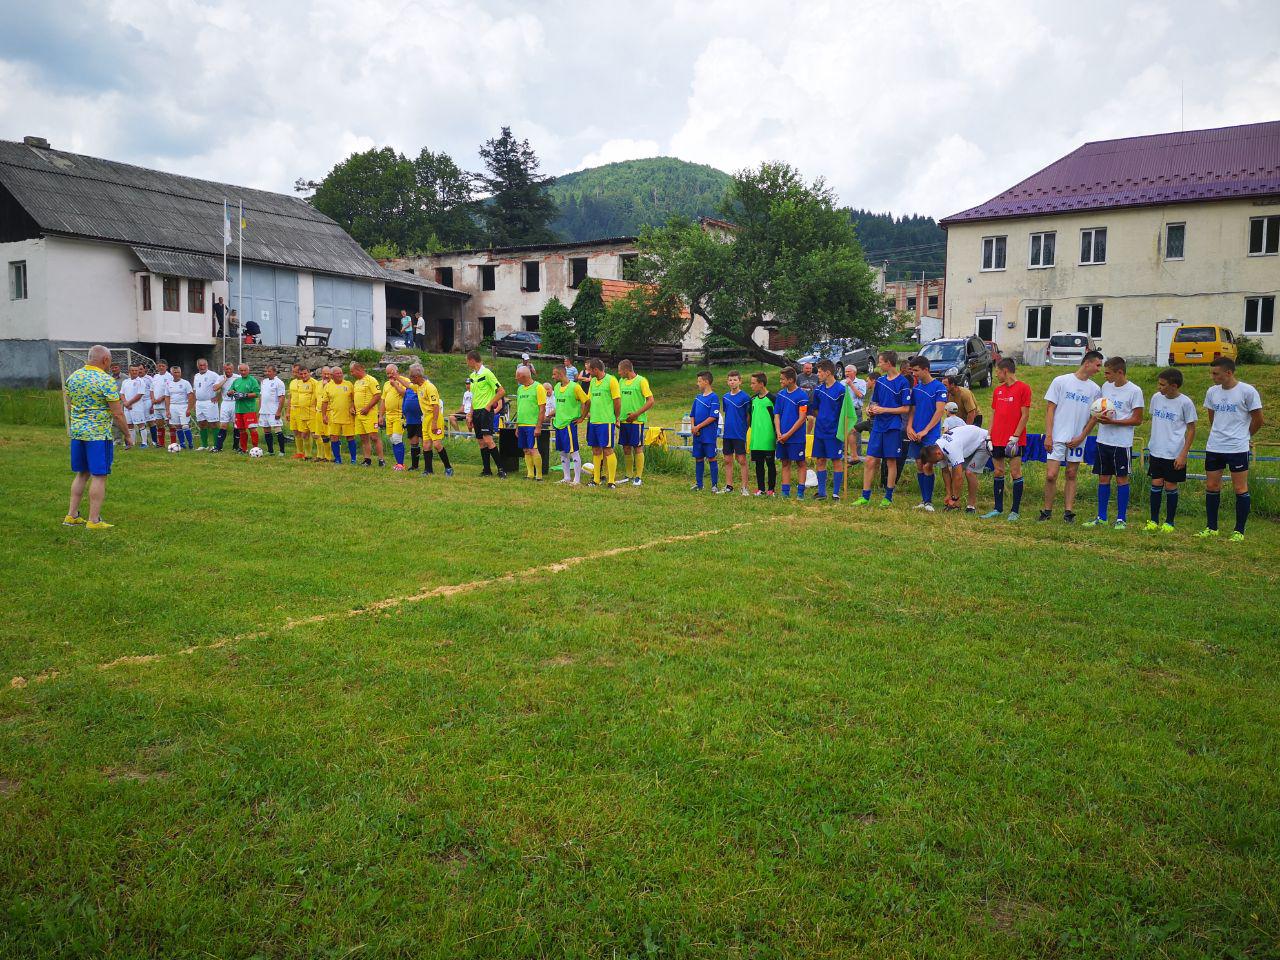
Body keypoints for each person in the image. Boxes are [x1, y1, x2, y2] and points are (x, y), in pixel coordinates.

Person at [64, 345, 133, 529]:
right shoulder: (106, 380)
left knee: (81, 473)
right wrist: (127, 434)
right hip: (97, 435)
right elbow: (117, 413)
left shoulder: (73, 377)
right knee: (99, 475)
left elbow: (71, 403)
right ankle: (93, 520)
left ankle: (72, 515)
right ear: (105, 360)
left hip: (78, 433)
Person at [1197, 357, 1264, 542]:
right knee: (1211, 486)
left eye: (1215, 373)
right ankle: (1211, 528)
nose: (1212, 377)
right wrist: (1219, 433)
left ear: (1229, 372)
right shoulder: (1212, 392)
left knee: (1240, 487)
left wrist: (1246, 436)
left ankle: (1239, 531)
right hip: (1215, 446)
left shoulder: (1247, 391)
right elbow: (1213, 417)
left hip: (1237, 447)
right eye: (1211, 373)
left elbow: (1259, 419)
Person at [1038, 350, 1103, 523]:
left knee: (1071, 473)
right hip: (1057, 436)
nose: (1099, 369)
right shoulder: (1061, 381)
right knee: (1051, 474)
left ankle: (1068, 512)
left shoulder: (1095, 389)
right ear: (1087, 363)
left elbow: (1094, 417)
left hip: (1077, 440)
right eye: (1097, 365)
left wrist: (1082, 437)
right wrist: (1049, 435)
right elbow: (1050, 409)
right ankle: (1047, 511)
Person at [1082, 356, 1144, 530]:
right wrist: (1100, 417)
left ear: (1120, 372)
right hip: (1103, 440)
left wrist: (1114, 422)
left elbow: (1138, 420)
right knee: (1103, 478)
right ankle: (1101, 517)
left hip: (1122, 443)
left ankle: (1121, 519)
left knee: (1121, 479)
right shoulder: (1106, 387)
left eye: (1108, 373)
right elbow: (1102, 408)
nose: (1105, 376)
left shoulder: (1134, 391)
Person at [853, 350, 912, 507]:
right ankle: (865, 496)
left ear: (888, 363)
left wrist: (885, 410)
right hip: (878, 426)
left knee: (891, 461)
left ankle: (888, 496)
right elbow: (875, 403)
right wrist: (870, 409)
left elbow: (906, 409)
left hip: (893, 427)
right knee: (870, 460)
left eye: (880, 362)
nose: (878, 364)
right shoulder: (880, 382)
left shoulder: (903, 383)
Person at [1146, 368, 1197, 533]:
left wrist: (1183, 454)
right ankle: (1153, 520)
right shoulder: (1156, 398)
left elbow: (1191, 429)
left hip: (1174, 452)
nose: (1158, 387)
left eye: (1162, 385)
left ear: (1174, 386)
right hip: (1156, 450)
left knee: (1170, 485)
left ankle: (1169, 522)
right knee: (1156, 483)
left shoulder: (1185, 403)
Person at [982, 358, 1031, 521]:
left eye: (997, 371)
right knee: (998, 471)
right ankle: (998, 508)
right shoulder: (998, 391)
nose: (996, 374)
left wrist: (1015, 436)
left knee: (1015, 472)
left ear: (1006, 371)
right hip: (997, 438)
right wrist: (989, 435)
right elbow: (994, 414)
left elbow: (1025, 415)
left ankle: (1015, 511)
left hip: (1014, 440)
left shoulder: (1023, 388)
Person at [906, 356, 947, 511]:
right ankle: (923, 501)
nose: (914, 374)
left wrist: (926, 430)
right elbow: (912, 410)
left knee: (928, 465)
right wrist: (909, 427)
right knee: (918, 464)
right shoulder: (916, 389)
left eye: (916, 371)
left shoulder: (939, 387)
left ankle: (929, 502)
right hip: (915, 433)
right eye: (912, 371)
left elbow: (939, 411)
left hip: (929, 434)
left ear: (926, 369)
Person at [923, 423, 990, 513]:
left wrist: (954, 498)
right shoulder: (938, 447)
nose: (935, 463)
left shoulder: (951, 448)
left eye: (934, 461)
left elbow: (958, 477)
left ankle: (971, 506)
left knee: (970, 473)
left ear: (938, 454)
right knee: (952, 470)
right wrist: (949, 494)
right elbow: (945, 471)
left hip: (982, 442)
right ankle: (956, 505)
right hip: (968, 445)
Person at [807, 360, 848, 501]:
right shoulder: (818, 390)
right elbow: (815, 409)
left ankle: (836, 493)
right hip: (820, 431)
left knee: (836, 460)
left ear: (828, 372)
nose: (817, 374)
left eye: (819, 372)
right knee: (820, 460)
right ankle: (822, 492)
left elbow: (846, 412)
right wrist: (823, 420)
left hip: (834, 432)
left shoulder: (841, 390)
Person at [465, 351, 506, 477]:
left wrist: (489, 405)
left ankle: (501, 469)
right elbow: (474, 397)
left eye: (467, 360)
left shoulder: (487, 373)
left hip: (485, 411)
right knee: (481, 441)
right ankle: (487, 470)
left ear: (472, 360)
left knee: (488, 440)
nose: (467, 363)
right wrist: (470, 414)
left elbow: (501, 391)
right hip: (476, 411)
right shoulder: (472, 376)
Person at [408, 364, 451, 476]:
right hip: (425, 418)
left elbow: (436, 406)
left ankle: (448, 468)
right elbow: (407, 384)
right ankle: (428, 470)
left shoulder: (430, 387)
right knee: (426, 444)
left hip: (434, 417)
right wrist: (396, 376)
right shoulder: (418, 387)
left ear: (417, 376)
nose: (410, 379)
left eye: (411, 377)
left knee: (437, 444)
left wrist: (434, 423)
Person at [617, 359, 655, 487]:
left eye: (620, 370)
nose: (618, 373)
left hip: (636, 421)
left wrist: (636, 414)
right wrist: (617, 417)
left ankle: (638, 477)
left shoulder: (641, 381)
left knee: (637, 446)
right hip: (623, 420)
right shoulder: (621, 382)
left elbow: (650, 401)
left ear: (627, 370)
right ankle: (628, 475)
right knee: (626, 447)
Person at [773, 366, 808, 499]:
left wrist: (788, 434)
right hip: (782, 437)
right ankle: (785, 492)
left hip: (796, 437)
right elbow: (777, 415)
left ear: (791, 380)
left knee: (800, 463)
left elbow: (802, 418)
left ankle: (800, 492)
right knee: (785, 462)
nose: (780, 381)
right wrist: (778, 432)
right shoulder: (780, 394)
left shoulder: (802, 395)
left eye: (782, 379)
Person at [586, 358, 622, 488]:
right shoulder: (593, 382)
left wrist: (616, 417)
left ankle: (611, 481)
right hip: (593, 421)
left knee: (607, 449)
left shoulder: (611, 380)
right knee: (595, 450)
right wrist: (586, 414)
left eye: (589, 370)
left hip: (606, 421)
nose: (588, 372)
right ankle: (596, 479)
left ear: (596, 369)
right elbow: (589, 400)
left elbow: (617, 401)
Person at [552, 364, 589, 485]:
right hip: (559, 423)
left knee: (573, 451)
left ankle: (576, 479)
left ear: (561, 374)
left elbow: (587, 401)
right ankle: (566, 477)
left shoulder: (575, 387)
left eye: (554, 374)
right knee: (563, 451)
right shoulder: (556, 387)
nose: (553, 376)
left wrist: (582, 417)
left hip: (569, 424)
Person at [513, 365, 547, 480]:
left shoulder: (538, 387)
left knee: (533, 449)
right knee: (526, 449)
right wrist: (517, 426)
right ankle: (530, 474)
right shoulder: (520, 389)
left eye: (517, 377)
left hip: (532, 425)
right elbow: (519, 408)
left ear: (523, 376)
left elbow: (542, 408)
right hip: (522, 424)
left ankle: (539, 476)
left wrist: (538, 426)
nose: (516, 379)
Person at [689, 370, 721, 493]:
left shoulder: (714, 397)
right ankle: (699, 484)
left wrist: (699, 427)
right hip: (697, 434)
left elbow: (713, 416)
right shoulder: (697, 398)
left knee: (711, 457)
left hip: (708, 435)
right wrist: (693, 427)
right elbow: (692, 414)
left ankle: (714, 485)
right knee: (698, 458)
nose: (697, 384)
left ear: (706, 382)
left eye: (699, 381)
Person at [720, 370, 751, 496]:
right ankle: (729, 485)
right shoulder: (725, 397)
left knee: (742, 460)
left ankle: (744, 487)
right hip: (728, 434)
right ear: (728, 382)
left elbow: (748, 416)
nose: (732, 382)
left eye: (735, 380)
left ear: (740, 381)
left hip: (739, 433)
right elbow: (727, 413)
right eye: (730, 380)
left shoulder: (745, 397)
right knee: (727, 460)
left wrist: (744, 429)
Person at [351, 361, 385, 467]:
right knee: (363, 437)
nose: (351, 374)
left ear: (359, 370)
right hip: (358, 414)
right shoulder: (356, 383)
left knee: (374, 437)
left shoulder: (371, 380)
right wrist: (352, 407)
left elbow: (377, 395)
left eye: (352, 371)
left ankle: (381, 460)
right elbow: (354, 398)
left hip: (369, 414)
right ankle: (367, 459)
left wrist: (367, 408)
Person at [321, 366, 357, 464]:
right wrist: (324, 415)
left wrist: (352, 407)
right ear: (332, 376)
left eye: (341, 373)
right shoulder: (328, 386)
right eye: (337, 373)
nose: (340, 375)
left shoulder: (349, 384)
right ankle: (337, 459)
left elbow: (354, 399)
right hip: (334, 416)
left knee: (350, 437)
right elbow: (324, 402)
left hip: (347, 416)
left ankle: (353, 459)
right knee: (334, 437)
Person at [749, 372, 777, 496]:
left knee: (770, 464)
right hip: (756, 438)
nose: (751, 385)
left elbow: (777, 418)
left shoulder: (772, 399)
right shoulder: (753, 400)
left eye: (753, 383)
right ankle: (761, 489)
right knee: (758, 465)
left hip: (768, 438)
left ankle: (771, 489)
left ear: (761, 384)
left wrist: (776, 434)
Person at [286, 364, 319, 461]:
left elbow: (317, 397)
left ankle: (319, 455)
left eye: (296, 372)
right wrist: (288, 411)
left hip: (309, 411)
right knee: (299, 432)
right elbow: (291, 397)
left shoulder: (313, 383)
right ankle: (301, 453)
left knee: (312, 433)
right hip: (296, 410)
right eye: (294, 371)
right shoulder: (294, 383)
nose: (295, 373)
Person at [381, 363, 409, 470]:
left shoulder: (403, 381)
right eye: (387, 374)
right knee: (392, 439)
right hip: (389, 416)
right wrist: (380, 415)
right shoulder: (386, 384)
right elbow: (383, 400)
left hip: (399, 415)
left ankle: (401, 464)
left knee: (397, 438)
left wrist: (395, 385)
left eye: (391, 373)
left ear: (396, 371)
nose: (389, 376)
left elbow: (404, 393)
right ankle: (398, 462)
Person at [228, 363, 261, 453]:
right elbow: (230, 391)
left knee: (252, 429)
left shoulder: (252, 380)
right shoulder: (237, 381)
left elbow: (256, 394)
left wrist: (245, 395)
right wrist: (230, 392)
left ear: (248, 370)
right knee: (241, 430)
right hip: (239, 409)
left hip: (249, 409)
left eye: (245, 370)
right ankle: (244, 449)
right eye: (241, 370)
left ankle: (255, 448)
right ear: (239, 371)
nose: (243, 372)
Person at [191, 358, 221, 451]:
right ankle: (204, 445)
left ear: (207, 365)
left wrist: (218, 396)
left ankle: (216, 445)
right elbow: (195, 390)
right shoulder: (196, 376)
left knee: (213, 424)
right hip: (199, 403)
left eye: (204, 365)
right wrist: (195, 402)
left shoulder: (213, 375)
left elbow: (221, 385)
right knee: (201, 423)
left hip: (210, 402)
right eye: (201, 365)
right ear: (197, 366)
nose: (203, 367)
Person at [258, 364, 288, 456]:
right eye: (266, 371)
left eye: (269, 371)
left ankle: (282, 451)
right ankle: (270, 451)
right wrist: (259, 410)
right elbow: (261, 396)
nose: (267, 373)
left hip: (273, 411)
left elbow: (282, 397)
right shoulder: (264, 382)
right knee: (266, 431)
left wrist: (278, 411)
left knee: (278, 430)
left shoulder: (279, 382)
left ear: (275, 372)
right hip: (264, 411)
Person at [165, 364, 195, 450]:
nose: (176, 374)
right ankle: (182, 444)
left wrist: (189, 408)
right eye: (175, 372)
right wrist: (167, 410)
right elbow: (167, 397)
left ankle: (190, 443)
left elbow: (190, 395)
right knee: (177, 426)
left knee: (185, 426)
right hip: (173, 406)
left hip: (183, 406)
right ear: (171, 373)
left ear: (181, 373)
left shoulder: (185, 383)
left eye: (178, 372)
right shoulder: (168, 383)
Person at [120, 364, 150, 448]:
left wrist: (129, 403)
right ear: (129, 371)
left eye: (136, 370)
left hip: (137, 407)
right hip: (127, 407)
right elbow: (122, 393)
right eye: (132, 370)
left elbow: (139, 394)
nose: (134, 372)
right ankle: (132, 443)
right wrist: (125, 402)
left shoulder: (140, 381)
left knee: (141, 424)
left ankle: (144, 443)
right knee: (129, 425)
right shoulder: (125, 381)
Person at [843, 364, 866, 463]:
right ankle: (845, 456)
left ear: (855, 372)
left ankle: (858, 457)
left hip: (856, 411)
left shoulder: (861, 382)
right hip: (845, 411)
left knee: (856, 433)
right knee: (844, 434)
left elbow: (861, 395)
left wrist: (851, 385)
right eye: (845, 372)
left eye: (849, 371)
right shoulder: (841, 383)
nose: (847, 373)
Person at [213, 361, 238, 452]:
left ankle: (236, 446)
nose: (228, 371)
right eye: (226, 369)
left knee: (236, 425)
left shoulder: (238, 377)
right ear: (224, 369)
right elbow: (215, 388)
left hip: (236, 402)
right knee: (223, 425)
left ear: (233, 369)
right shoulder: (220, 378)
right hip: (225, 403)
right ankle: (218, 447)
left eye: (230, 369)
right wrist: (224, 380)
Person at [150, 359, 172, 449]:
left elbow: (170, 390)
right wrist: (153, 399)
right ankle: (161, 443)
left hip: (165, 405)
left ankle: (173, 442)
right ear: (157, 367)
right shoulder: (155, 376)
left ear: (166, 367)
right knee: (159, 424)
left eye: (163, 366)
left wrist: (161, 399)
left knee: (170, 423)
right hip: (156, 405)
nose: (161, 367)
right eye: (159, 366)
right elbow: (151, 390)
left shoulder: (169, 376)